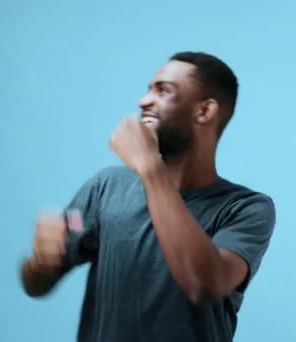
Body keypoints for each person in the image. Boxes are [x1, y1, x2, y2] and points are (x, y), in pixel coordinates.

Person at [20, 51, 276, 342]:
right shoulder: (106, 187)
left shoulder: (246, 208)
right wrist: (42, 261)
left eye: (164, 91)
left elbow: (205, 284)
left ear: (204, 111)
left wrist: (149, 165)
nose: (144, 101)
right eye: (148, 89)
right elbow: (36, 285)